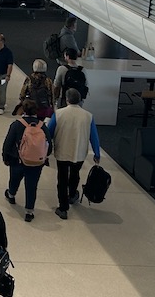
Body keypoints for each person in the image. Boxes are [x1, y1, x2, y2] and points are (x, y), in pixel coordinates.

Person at [48, 88, 101, 220]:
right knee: (75, 174)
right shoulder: (88, 116)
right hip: (79, 152)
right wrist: (97, 153)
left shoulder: (59, 114)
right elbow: (94, 137)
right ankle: (72, 194)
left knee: (62, 178)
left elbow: (48, 132)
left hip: (62, 152)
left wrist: (46, 150)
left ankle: (63, 208)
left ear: (66, 99)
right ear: (80, 100)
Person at [2, 99, 47, 222]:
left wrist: (5, 157)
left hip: (18, 160)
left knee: (14, 179)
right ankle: (29, 212)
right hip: (36, 162)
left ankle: (11, 194)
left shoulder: (17, 124)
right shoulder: (42, 126)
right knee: (32, 186)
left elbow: (8, 143)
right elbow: (49, 143)